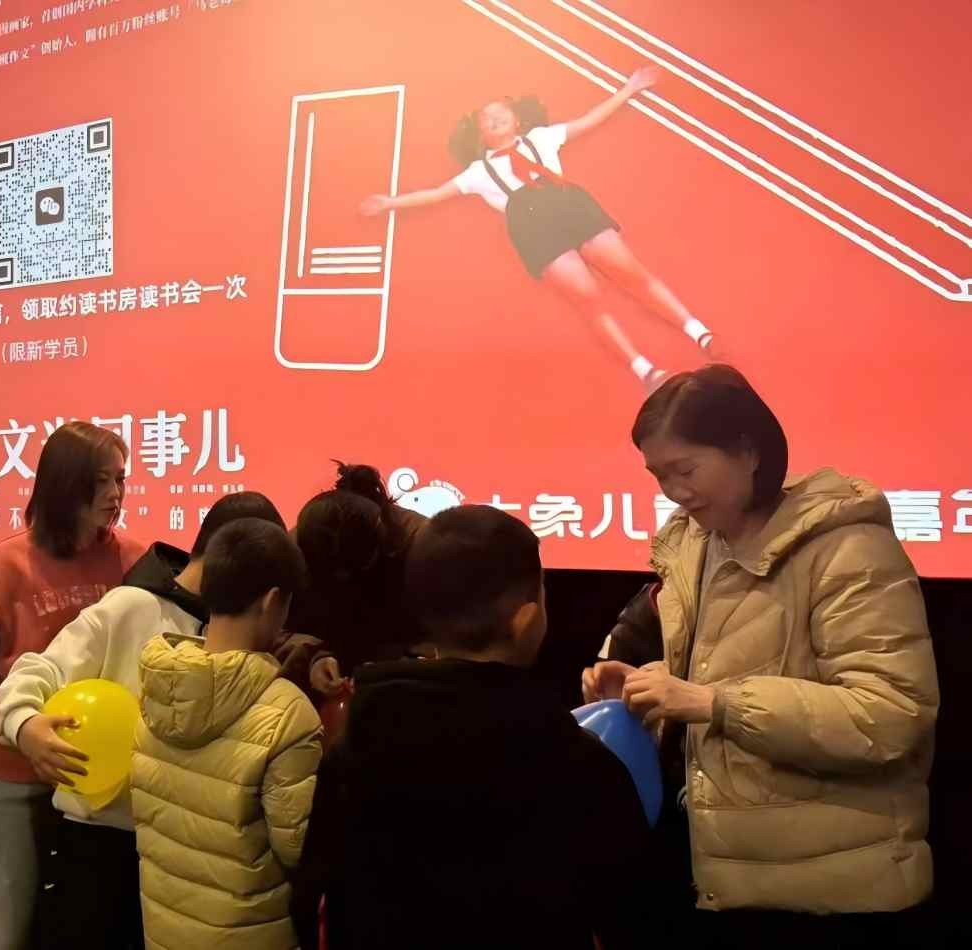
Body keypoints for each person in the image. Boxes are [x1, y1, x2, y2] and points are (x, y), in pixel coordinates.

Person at [583, 364, 939, 947]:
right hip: (718, 875)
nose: (674, 492)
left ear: (749, 452)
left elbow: (890, 715)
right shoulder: (697, 543)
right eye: (658, 475)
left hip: (828, 893)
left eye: (686, 470)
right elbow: (732, 668)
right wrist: (656, 684)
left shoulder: (849, 549)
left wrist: (711, 702)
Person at [294, 505, 650, 950]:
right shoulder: (581, 766)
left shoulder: (356, 750)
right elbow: (634, 918)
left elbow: (313, 901)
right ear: (526, 620)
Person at [0, 491, 286, 950]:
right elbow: (39, 670)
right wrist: (24, 723)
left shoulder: (235, 630)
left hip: (180, 851)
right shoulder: (130, 607)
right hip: (98, 841)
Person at [360, 67, 718, 391]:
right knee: (587, 296)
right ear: (481, 135)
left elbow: (589, 120)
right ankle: (644, 369)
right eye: (486, 119)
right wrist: (390, 203)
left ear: (517, 119)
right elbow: (436, 194)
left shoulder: (545, 138)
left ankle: (698, 330)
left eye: (500, 112)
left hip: (571, 206)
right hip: (534, 230)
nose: (494, 118)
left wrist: (629, 88)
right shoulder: (478, 173)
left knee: (632, 272)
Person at [0, 421, 144, 950]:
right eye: (101, 481)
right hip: (15, 767)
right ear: (65, 485)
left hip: (101, 780)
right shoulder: (6, 564)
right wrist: (9, 732)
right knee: (1, 923)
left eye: (120, 480)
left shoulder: (133, 560)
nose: (115, 494)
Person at [131, 519, 322, 950]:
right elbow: (298, 848)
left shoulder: (159, 687)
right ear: (273, 601)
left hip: (165, 933)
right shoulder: (288, 714)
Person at [292, 462, 428, 698]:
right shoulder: (293, 553)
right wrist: (312, 658)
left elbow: (450, 630)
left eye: (350, 571)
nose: (343, 579)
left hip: (407, 672)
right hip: (326, 671)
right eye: (333, 575)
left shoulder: (421, 546)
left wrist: (403, 663)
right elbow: (268, 629)